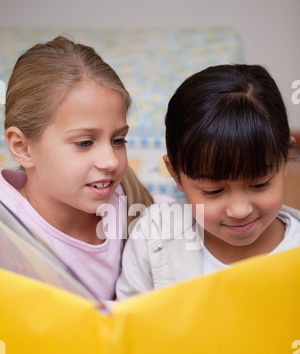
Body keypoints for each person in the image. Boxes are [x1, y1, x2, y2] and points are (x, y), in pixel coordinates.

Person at [116, 64, 300, 299]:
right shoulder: (153, 238)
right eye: (213, 191)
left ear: (285, 160)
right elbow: (127, 324)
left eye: (259, 184)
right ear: (176, 175)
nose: (239, 210)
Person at [1, 35, 153, 302]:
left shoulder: (130, 204)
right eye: (84, 142)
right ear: (23, 148)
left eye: (118, 140)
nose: (111, 161)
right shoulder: (8, 235)